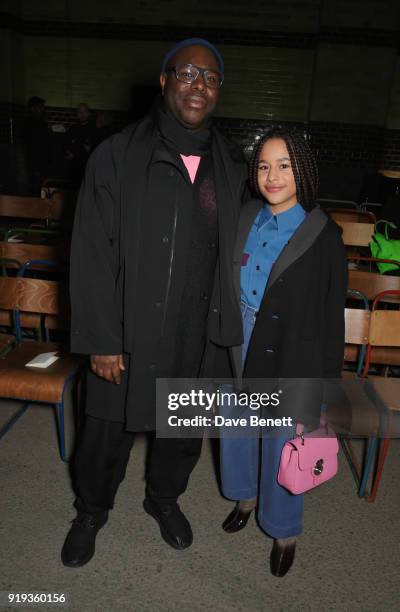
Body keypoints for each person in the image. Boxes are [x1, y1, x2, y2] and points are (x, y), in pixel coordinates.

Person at [62, 38, 248, 568]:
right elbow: (91, 253)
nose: (199, 85)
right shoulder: (117, 155)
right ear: (164, 80)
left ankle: (163, 500)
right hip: (126, 328)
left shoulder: (229, 165)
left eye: (211, 78)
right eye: (188, 72)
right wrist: (102, 338)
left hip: (197, 329)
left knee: (184, 430)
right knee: (106, 432)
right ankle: (91, 510)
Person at [207, 128, 347, 577]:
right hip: (239, 340)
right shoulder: (246, 216)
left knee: (285, 440)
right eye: (264, 165)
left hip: (292, 354)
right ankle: (245, 497)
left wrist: (321, 392)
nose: (273, 175)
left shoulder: (323, 236)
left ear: (303, 169)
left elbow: (330, 320)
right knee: (237, 429)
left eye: (284, 165)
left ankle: (284, 530)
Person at [22, 96, 53, 195]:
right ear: (33, 108)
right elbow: (35, 146)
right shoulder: (31, 124)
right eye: (40, 107)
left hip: (38, 163)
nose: (42, 109)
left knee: (37, 189)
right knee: (35, 190)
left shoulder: (35, 123)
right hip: (36, 164)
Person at [64, 103, 96, 187]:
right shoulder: (73, 128)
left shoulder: (94, 129)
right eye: (80, 112)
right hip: (73, 170)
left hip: (88, 170)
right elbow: (66, 145)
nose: (82, 114)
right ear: (77, 114)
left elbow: (92, 150)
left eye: (84, 111)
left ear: (89, 113)